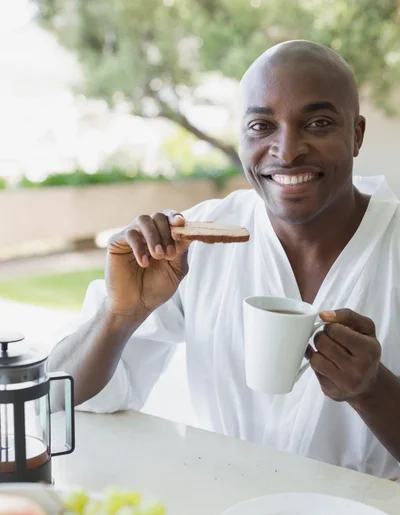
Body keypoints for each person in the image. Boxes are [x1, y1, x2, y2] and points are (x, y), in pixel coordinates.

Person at [49, 40, 400, 480]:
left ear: (357, 134)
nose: (287, 150)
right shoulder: (189, 243)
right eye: (261, 126)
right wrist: (117, 316)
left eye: (319, 122)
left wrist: (371, 390)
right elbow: (58, 398)